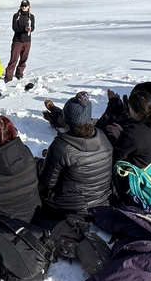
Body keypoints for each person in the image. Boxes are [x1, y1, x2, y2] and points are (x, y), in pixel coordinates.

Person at [38, 91, 113, 224]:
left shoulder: (61, 146)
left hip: (72, 208)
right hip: (102, 202)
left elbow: (47, 184)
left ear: (66, 119)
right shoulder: (102, 136)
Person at [100, 89, 151, 181]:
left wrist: (121, 139)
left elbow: (116, 159)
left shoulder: (133, 133)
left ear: (134, 111)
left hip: (144, 179)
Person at [4, 0, 35, 83]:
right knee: (14, 58)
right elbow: (14, 28)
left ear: (29, 7)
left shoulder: (31, 16)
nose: (24, 7)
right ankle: (8, 76)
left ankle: (19, 74)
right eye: (22, 6)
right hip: (17, 40)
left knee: (24, 59)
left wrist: (30, 29)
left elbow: (33, 27)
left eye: (25, 6)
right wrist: (24, 29)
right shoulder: (16, 16)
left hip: (27, 41)